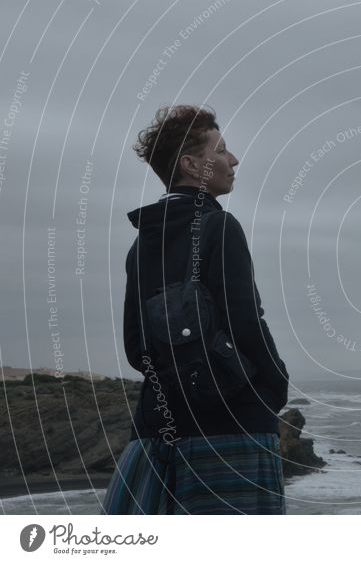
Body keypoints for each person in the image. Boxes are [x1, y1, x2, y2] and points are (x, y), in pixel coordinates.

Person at [102, 105, 289, 514]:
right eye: (220, 151)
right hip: (233, 429)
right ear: (191, 165)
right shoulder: (220, 227)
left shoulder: (141, 246)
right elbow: (247, 326)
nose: (233, 160)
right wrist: (272, 390)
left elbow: (137, 349)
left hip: (157, 430)